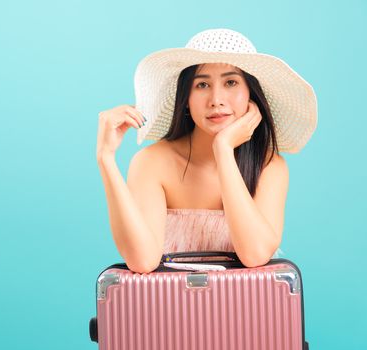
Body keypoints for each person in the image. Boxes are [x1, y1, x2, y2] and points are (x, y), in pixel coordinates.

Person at [95, 29, 317, 273]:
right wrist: (106, 159)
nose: (216, 99)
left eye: (231, 82)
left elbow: (254, 254)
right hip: (168, 308)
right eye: (202, 84)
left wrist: (223, 150)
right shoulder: (152, 162)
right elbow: (142, 261)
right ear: (186, 98)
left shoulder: (270, 166)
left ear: (251, 94)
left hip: (246, 310)